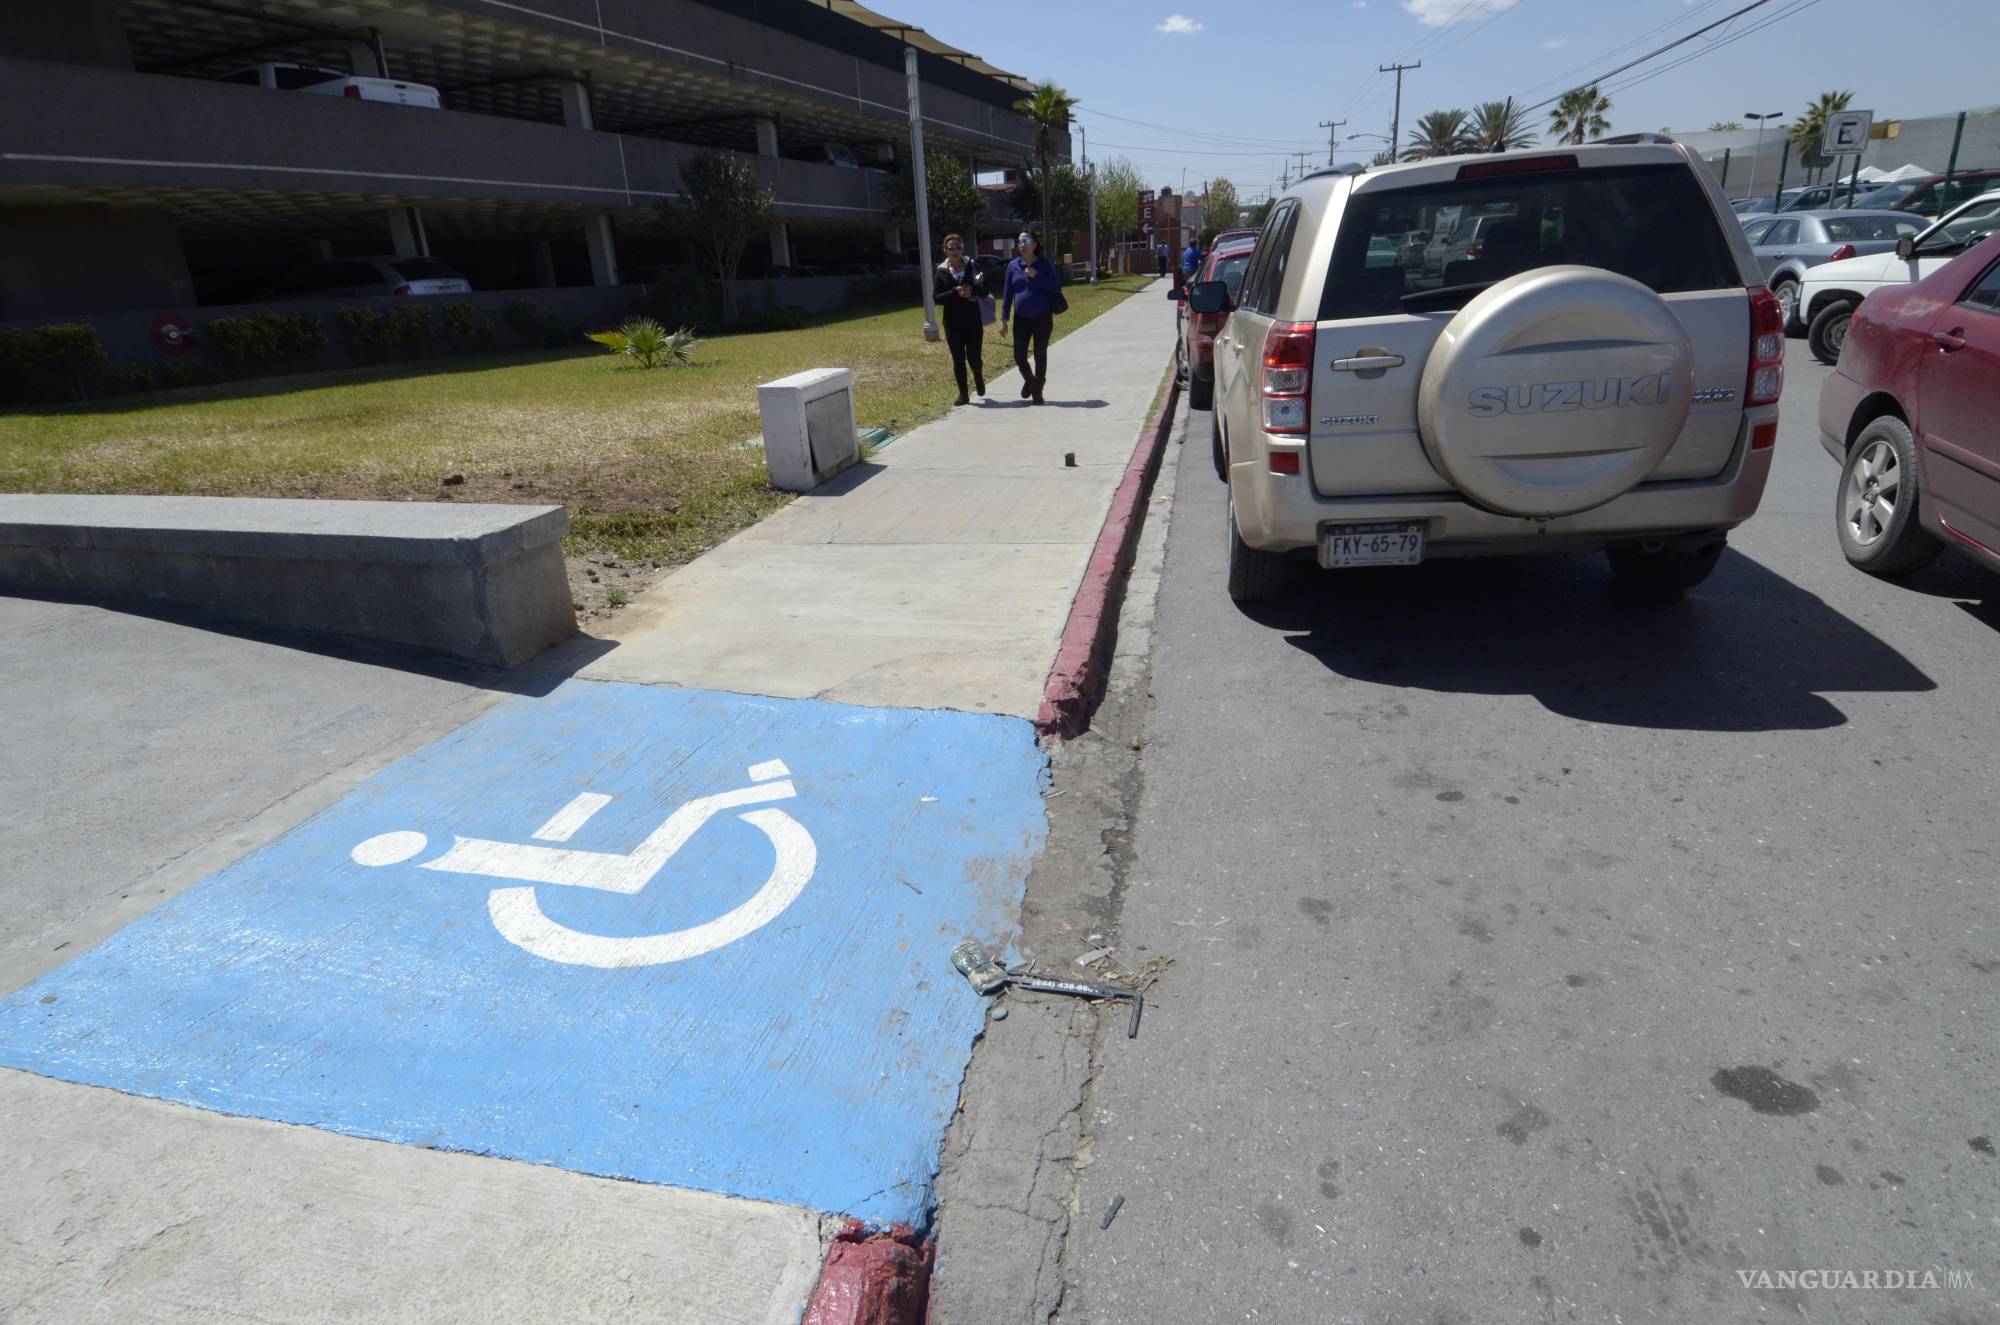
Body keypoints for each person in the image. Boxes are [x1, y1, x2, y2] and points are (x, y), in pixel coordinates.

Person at [998, 230, 1061, 405]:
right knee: (1019, 355)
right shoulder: (1013, 266)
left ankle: (1038, 390)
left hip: (1042, 318)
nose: (1022, 245)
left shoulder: (1044, 264)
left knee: (1040, 354)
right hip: (1021, 318)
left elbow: (1055, 287)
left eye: (1026, 241)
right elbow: (1008, 293)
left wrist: (1037, 276)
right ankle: (1030, 380)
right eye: (1019, 242)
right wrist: (1004, 319)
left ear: (1034, 244)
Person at [932, 233, 986, 405]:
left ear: (963, 249)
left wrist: (972, 291)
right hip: (952, 323)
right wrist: (955, 293)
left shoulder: (972, 265)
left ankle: (978, 374)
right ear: (945, 251)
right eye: (951, 248)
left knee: (974, 357)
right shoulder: (941, 271)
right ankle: (963, 394)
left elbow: (984, 289)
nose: (955, 250)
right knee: (958, 359)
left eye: (958, 247)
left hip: (973, 321)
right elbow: (936, 298)